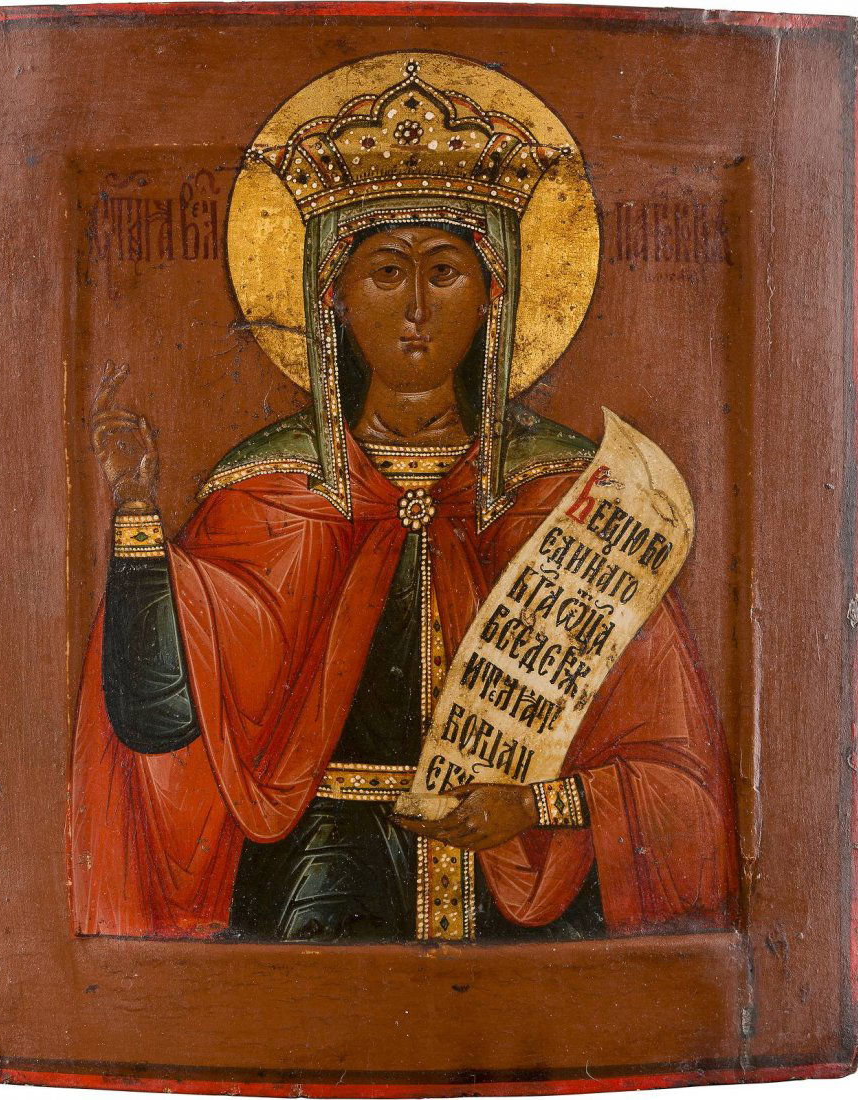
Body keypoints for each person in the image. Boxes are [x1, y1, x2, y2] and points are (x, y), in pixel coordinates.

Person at [70, 59, 738, 943]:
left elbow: (676, 776)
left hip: (526, 895)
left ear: (494, 294)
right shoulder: (268, 496)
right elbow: (156, 721)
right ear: (334, 297)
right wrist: (135, 518)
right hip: (317, 891)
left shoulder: (571, 502)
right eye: (386, 272)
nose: (417, 307)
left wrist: (539, 803)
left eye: (445, 271)